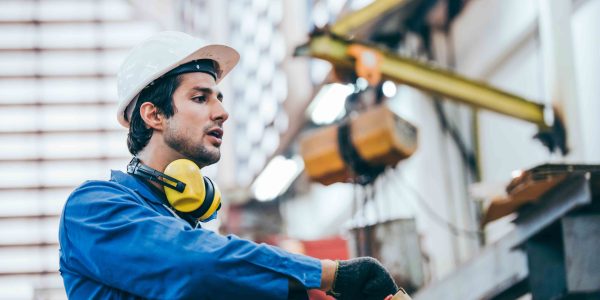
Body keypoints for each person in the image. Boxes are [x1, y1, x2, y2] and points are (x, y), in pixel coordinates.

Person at [58, 31, 400, 300]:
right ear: (154, 114)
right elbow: (192, 265)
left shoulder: (188, 227)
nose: (222, 112)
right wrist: (329, 275)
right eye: (200, 97)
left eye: (219, 98)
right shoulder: (94, 209)